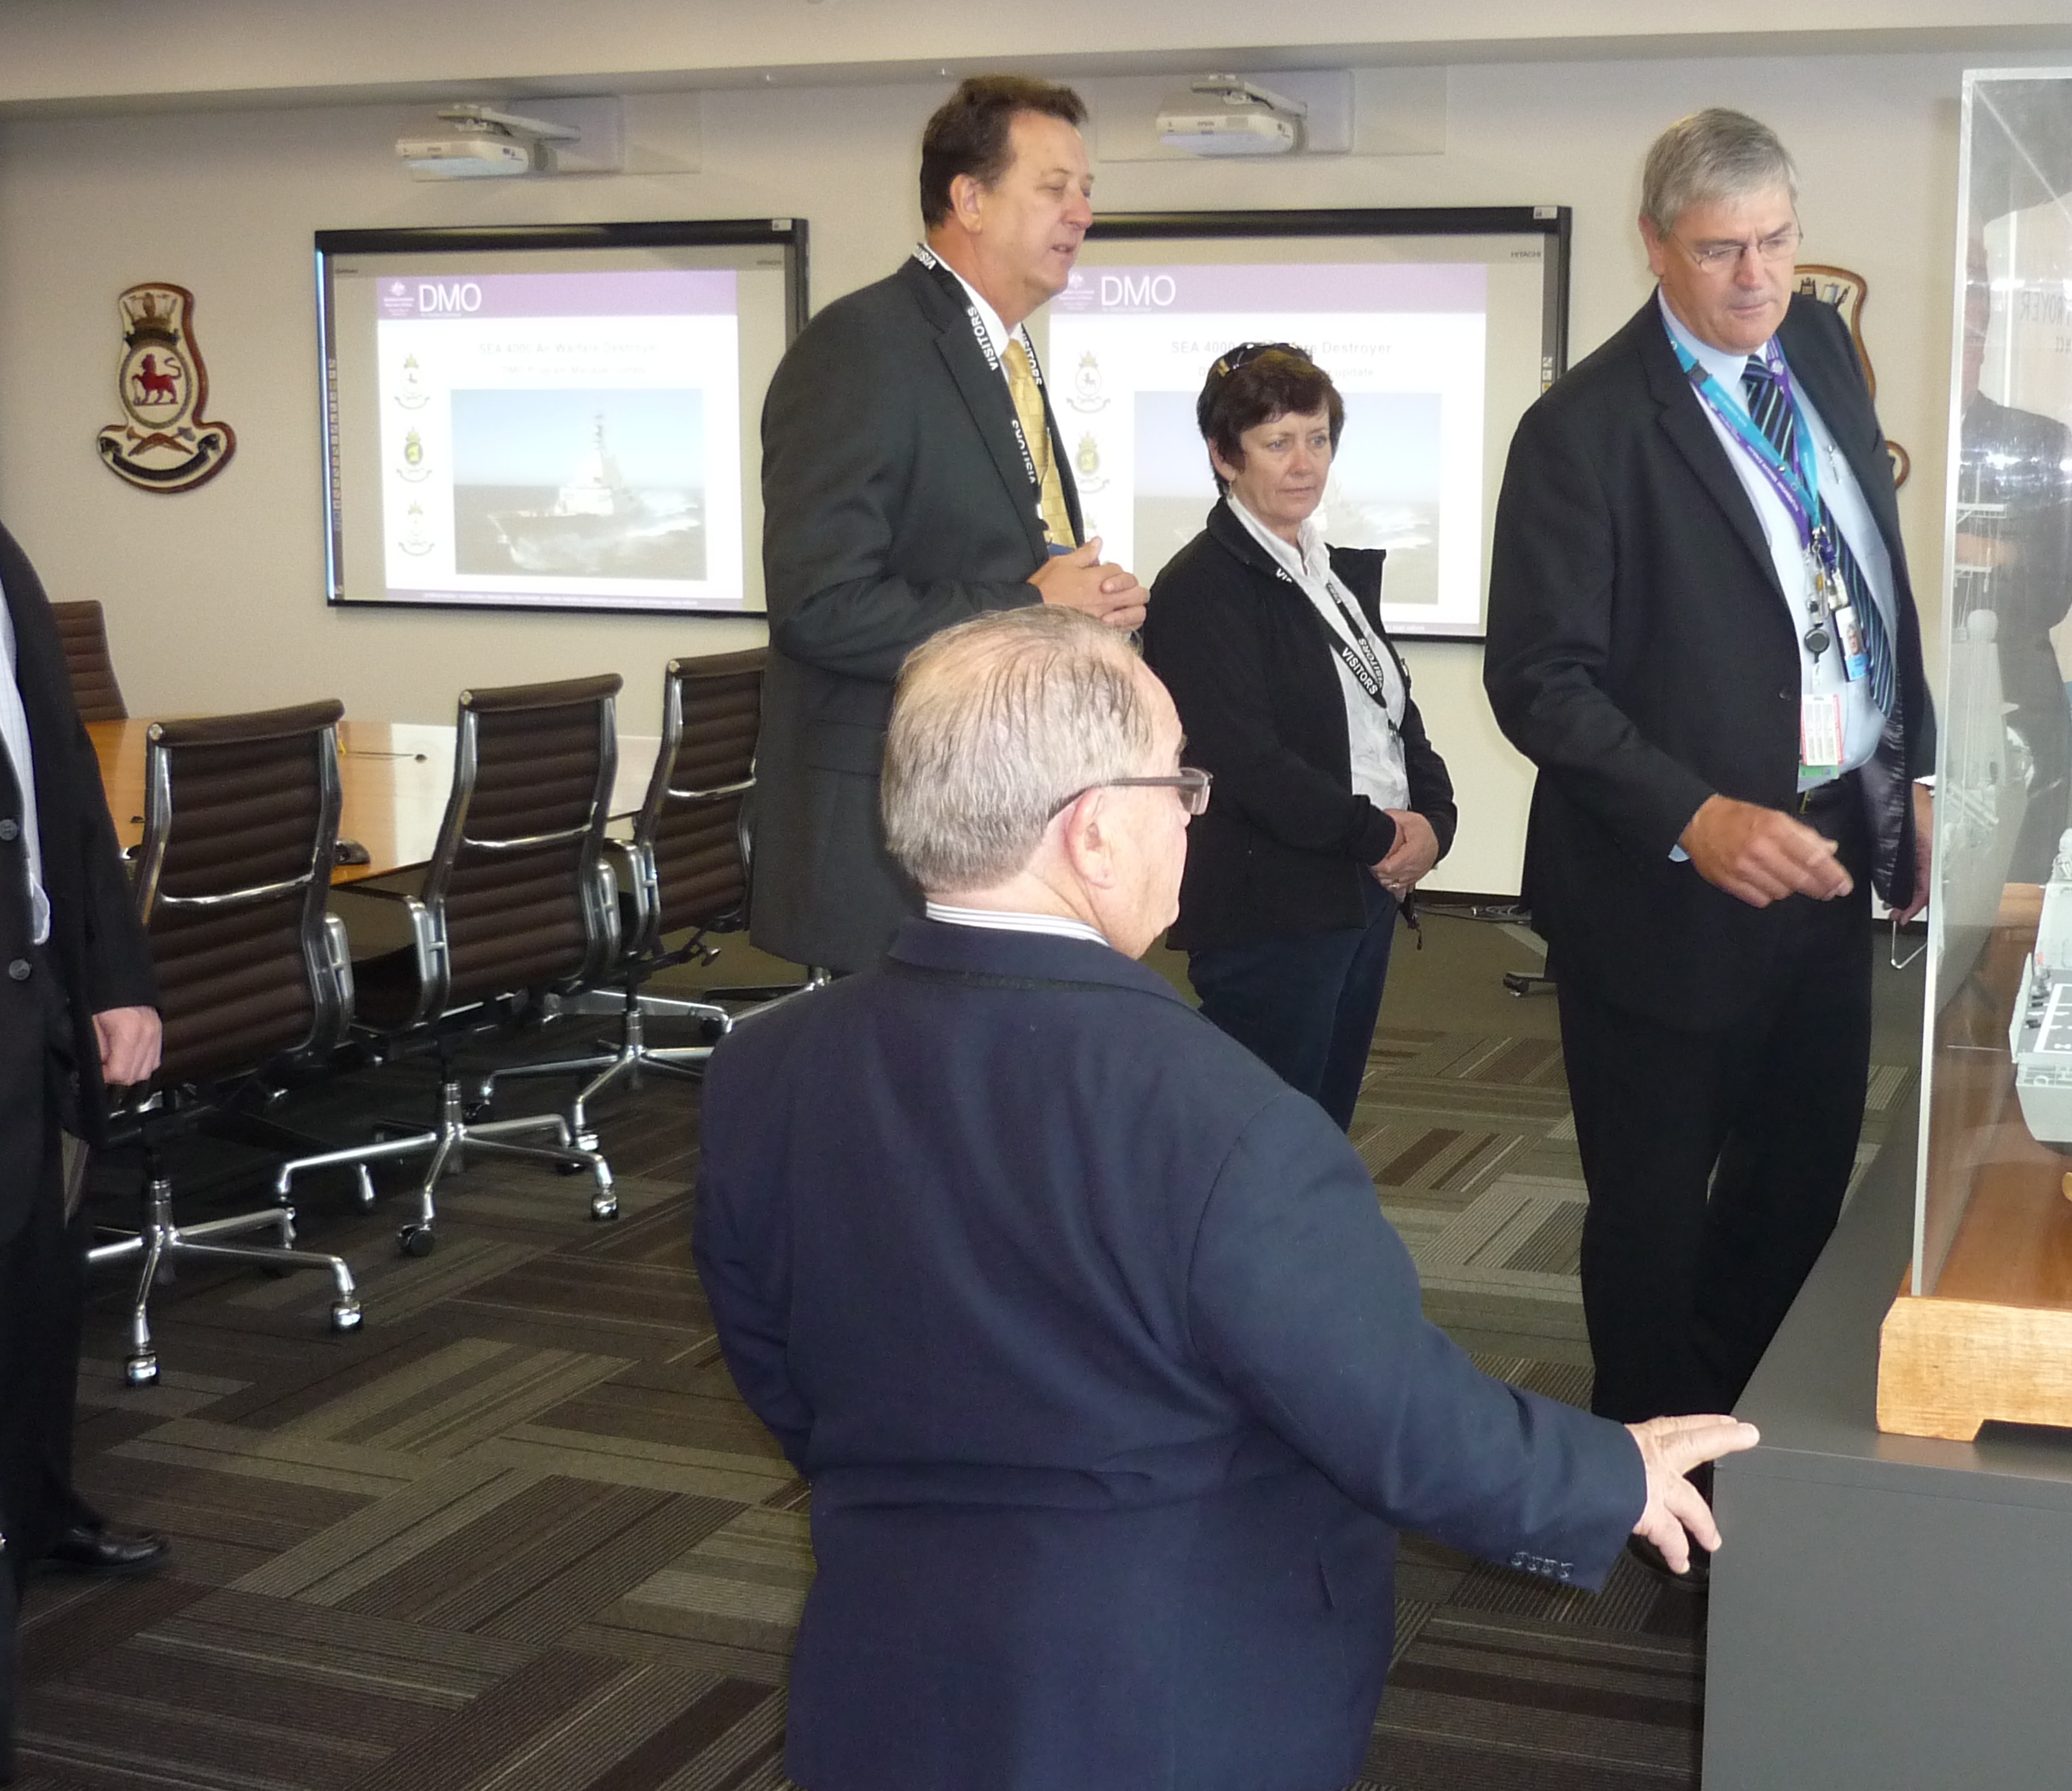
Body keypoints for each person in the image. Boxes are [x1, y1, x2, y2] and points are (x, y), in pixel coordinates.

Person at [694, 606, 1755, 1790]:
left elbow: (783, 1374)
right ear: (1095, 833)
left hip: (888, 1670)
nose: (1194, 816)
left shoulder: (762, 1065)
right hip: (1175, 1696)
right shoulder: (1227, 1118)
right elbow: (1386, 1414)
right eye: (1181, 787)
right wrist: (1611, 1472)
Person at [1483, 108, 1936, 1557]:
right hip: (1664, 890)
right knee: (1654, 1212)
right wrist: (1691, 813)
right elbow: (1536, 679)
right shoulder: (1583, 429)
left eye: (1777, 241)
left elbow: (1871, 584)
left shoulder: (1813, 357)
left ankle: (1751, 1436)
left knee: (1800, 1176)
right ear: (1654, 245)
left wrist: (1907, 763)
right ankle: (1646, 1483)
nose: (1755, 277)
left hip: (1828, 854)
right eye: (1718, 251)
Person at [749, 74, 1147, 975]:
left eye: (1085, 191)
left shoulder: (1001, 352)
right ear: (967, 198)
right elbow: (820, 604)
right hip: (888, 832)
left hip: (991, 814)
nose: (1081, 213)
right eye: (1054, 188)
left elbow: (980, 551)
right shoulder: (861, 347)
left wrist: (1078, 608)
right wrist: (1025, 603)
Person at [1141, 344, 1453, 1129]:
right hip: (1274, 905)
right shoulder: (1199, 587)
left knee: (1324, 1122)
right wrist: (1378, 832)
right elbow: (1245, 760)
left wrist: (1436, 823)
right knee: (1261, 1136)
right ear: (1224, 455)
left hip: (1356, 888)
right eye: (1277, 442)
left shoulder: (1328, 568)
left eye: (1316, 438)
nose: (1303, 462)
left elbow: (1391, 709)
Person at [2, 521, 170, 1765]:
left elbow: (59, 766)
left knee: (41, 1285)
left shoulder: (3, 556)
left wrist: (116, 975)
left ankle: (38, 1505)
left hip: (41, 997)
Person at [1950, 248, 2072, 884]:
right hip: (1909, 702)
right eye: (1950, 333)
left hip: (2015, 701)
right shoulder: (1868, 431)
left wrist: (1968, 549)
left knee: (2015, 902)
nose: (1960, 351)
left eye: (1972, 336)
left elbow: (2052, 586)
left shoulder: (2037, 442)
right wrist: (1996, 547)